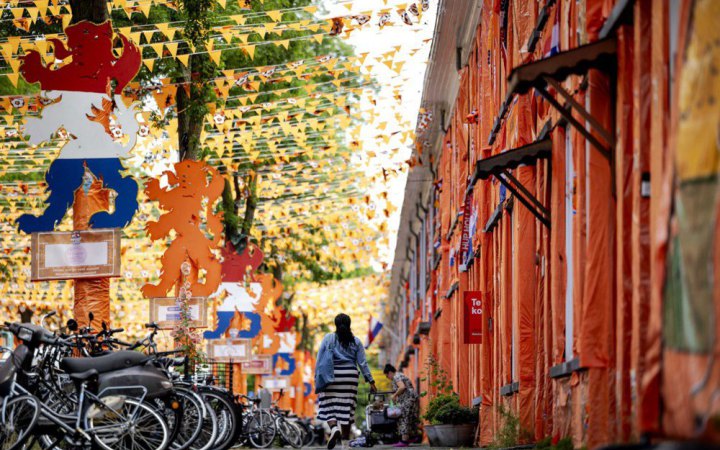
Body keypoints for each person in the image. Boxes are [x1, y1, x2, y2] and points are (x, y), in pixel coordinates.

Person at [315, 313, 377, 449]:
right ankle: (345, 444)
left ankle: (334, 428)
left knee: (327, 404)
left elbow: (319, 359)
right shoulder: (356, 341)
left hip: (331, 375)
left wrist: (317, 377)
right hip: (349, 377)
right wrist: (371, 380)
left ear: (336, 325)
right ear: (349, 325)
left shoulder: (328, 338)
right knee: (347, 409)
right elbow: (362, 363)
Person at [384, 364, 419, 447]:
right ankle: (411, 437)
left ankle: (404, 440)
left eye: (387, 376)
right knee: (410, 418)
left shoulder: (396, 376)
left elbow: (402, 387)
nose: (387, 378)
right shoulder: (400, 375)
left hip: (408, 399)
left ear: (390, 372)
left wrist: (394, 395)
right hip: (410, 398)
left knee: (404, 417)